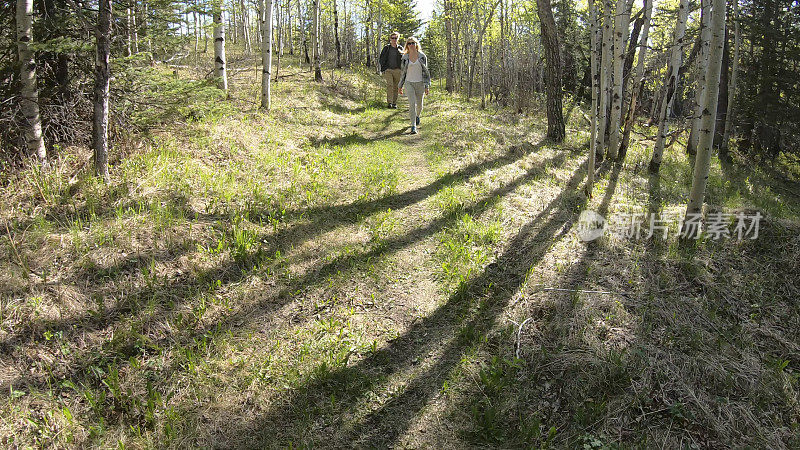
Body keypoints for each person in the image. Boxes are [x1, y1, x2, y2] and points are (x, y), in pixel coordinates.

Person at [397, 37, 431, 134]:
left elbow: (426, 72)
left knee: (419, 105)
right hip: (409, 83)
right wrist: (400, 85)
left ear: (416, 44)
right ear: (407, 45)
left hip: (420, 83)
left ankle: (417, 116)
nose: (411, 45)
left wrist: (426, 86)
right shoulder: (404, 57)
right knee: (412, 104)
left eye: (413, 43)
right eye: (409, 43)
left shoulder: (422, 56)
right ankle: (413, 126)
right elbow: (403, 73)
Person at [379, 32, 403, 109]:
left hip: (397, 70)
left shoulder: (400, 48)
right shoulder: (386, 48)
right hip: (388, 70)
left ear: (397, 39)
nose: (394, 40)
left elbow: (404, 59)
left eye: (395, 38)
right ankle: (389, 102)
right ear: (390, 39)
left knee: (396, 87)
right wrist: (384, 68)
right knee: (390, 85)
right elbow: (381, 58)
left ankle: (394, 103)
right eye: (392, 38)